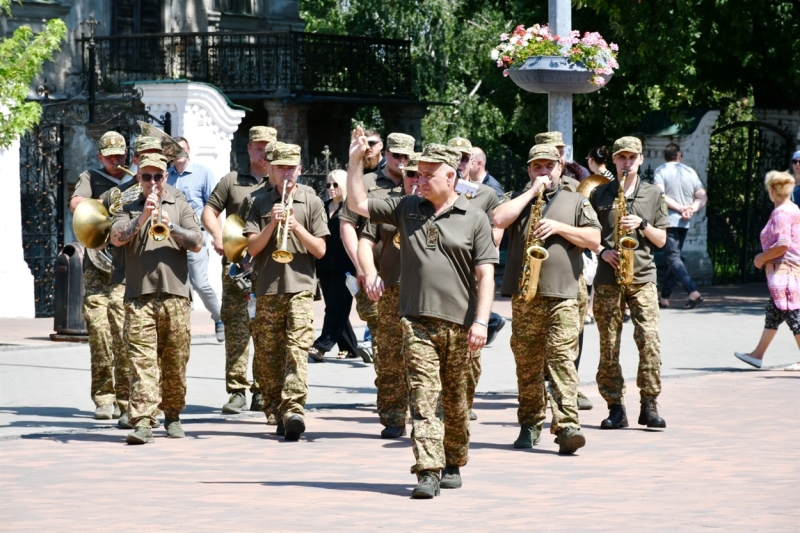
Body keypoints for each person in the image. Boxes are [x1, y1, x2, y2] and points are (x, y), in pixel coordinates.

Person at [347, 132, 497, 499]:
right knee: (424, 397)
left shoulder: (475, 218)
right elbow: (358, 203)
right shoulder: (406, 208)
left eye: (430, 174)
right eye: (419, 173)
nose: (420, 180)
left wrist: (480, 321)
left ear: (452, 178)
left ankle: (454, 459)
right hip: (416, 321)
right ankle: (428, 469)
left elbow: (486, 275)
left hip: (461, 326)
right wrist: (354, 161)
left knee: (457, 402)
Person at [493, 143, 601, 453]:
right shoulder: (518, 199)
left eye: (549, 166)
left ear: (560, 168)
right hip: (525, 296)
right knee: (527, 363)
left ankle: (567, 426)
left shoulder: (576, 201)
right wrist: (530, 193)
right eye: (537, 167)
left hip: (563, 294)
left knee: (561, 358)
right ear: (529, 170)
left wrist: (560, 227)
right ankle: (529, 422)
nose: (544, 172)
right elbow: (498, 220)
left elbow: (594, 239)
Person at [110, 153, 203, 444]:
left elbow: (197, 242)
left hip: (176, 294)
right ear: (138, 176)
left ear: (165, 176)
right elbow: (116, 237)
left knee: (175, 361)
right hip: (139, 294)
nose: (152, 182)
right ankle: (143, 421)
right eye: (146, 176)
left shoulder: (179, 201)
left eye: (157, 176)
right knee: (141, 361)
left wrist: (171, 226)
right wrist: (143, 218)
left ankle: (173, 415)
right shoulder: (126, 202)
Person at [243, 143, 329, 440]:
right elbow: (252, 249)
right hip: (267, 289)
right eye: (280, 167)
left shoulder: (311, 200)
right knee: (268, 357)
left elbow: (320, 250)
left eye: (291, 168)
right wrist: (272, 225)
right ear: (271, 169)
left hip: (301, 288)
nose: (286, 173)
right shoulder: (257, 201)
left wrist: (295, 227)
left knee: (297, 349)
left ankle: (294, 408)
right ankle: (277, 407)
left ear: (300, 170)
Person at [589, 136, 670, 430]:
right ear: (614, 160)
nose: (627, 162)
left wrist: (642, 224)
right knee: (609, 345)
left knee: (649, 340)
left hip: (643, 276)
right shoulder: (599, 194)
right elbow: (586, 234)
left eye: (632, 157)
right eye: (622, 157)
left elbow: (662, 240)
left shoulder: (653, 194)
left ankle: (649, 405)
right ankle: (615, 407)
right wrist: (602, 250)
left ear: (641, 159)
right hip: (609, 277)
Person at [202, 126, 277, 414]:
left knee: (266, 330)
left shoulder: (279, 181)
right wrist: (217, 236)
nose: (263, 152)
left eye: (268, 146)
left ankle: (263, 389)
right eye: (258, 147)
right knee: (236, 330)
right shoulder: (232, 180)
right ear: (248, 149)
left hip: (269, 266)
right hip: (236, 266)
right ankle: (237, 391)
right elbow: (209, 210)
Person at [106, 135, 178, 430]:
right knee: (129, 347)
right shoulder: (121, 196)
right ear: (136, 162)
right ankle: (129, 406)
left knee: (164, 350)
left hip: (162, 279)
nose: (152, 172)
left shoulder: (174, 195)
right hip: (126, 276)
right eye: (146, 158)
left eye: (158, 159)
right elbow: (108, 235)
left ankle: (158, 405)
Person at [70, 131, 132, 420]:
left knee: (123, 333)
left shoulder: (136, 178)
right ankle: (103, 398)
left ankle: (125, 398)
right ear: (100, 157)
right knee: (99, 332)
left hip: (126, 265)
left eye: (120, 155)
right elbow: (76, 204)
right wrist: (100, 206)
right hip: (97, 263)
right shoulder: (91, 177)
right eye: (110, 158)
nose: (116, 161)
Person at [357, 154, 420, 438]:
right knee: (390, 355)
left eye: (423, 175)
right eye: (411, 175)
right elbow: (365, 241)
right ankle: (394, 415)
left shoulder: (443, 206)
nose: (417, 181)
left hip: (426, 293)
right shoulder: (388, 203)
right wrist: (370, 273)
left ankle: (425, 412)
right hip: (392, 289)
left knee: (423, 357)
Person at [339, 132, 415, 364]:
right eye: (396, 155)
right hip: (376, 275)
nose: (401, 161)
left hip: (409, 276)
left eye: (406, 156)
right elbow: (347, 225)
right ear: (386, 152)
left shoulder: (416, 182)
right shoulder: (366, 183)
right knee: (383, 343)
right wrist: (361, 266)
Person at [448, 136, 504, 421]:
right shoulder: (436, 189)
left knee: (471, 351)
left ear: (473, 162)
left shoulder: (486, 194)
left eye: (464, 158)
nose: (460, 163)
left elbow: (497, 230)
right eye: (455, 157)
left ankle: (464, 403)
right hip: (444, 280)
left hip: (471, 279)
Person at [734, 171, 800, 372]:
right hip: (788, 271)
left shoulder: (781, 213)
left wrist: (760, 259)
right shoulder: (793, 208)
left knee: (793, 314)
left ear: (771, 190)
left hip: (784, 272)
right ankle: (757, 355)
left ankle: (758, 355)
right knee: (775, 313)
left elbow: (782, 244)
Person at [168, 136, 224, 340]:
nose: (179, 153)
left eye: (182, 149)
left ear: (189, 150)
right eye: (175, 150)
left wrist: (216, 234)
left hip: (195, 236)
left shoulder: (203, 173)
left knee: (199, 283)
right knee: (175, 285)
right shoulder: (165, 175)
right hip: (171, 236)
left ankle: (219, 317)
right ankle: (178, 328)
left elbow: (215, 208)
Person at [308, 169, 364, 362]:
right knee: (334, 306)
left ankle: (321, 345)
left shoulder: (352, 208)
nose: (331, 188)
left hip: (346, 266)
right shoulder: (323, 207)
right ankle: (349, 346)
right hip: (324, 264)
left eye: (335, 185)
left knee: (335, 308)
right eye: (328, 185)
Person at [654, 143, 707, 309]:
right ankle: (664, 298)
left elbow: (660, 195)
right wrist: (691, 208)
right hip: (684, 222)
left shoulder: (661, 170)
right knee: (673, 257)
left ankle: (693, 292)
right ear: (680, 156)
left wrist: (680, 208)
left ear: (665, 156)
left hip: (668, 220)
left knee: (672, 257)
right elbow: (702, 196)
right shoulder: (690, 171)